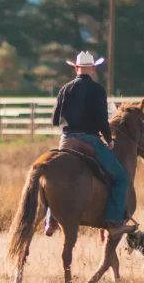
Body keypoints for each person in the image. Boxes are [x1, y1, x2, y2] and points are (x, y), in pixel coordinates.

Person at [45, 51, 135, 238]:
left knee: (50, 177)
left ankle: (50, 220)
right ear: (93, 69)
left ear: (76, 68)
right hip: (90, 141)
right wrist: (109, 140)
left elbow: (55, 119)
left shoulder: (65, 89)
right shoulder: (98, 90)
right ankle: (114, 221)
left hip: (66, 141)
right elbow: (102, 120)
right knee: (121, 178)